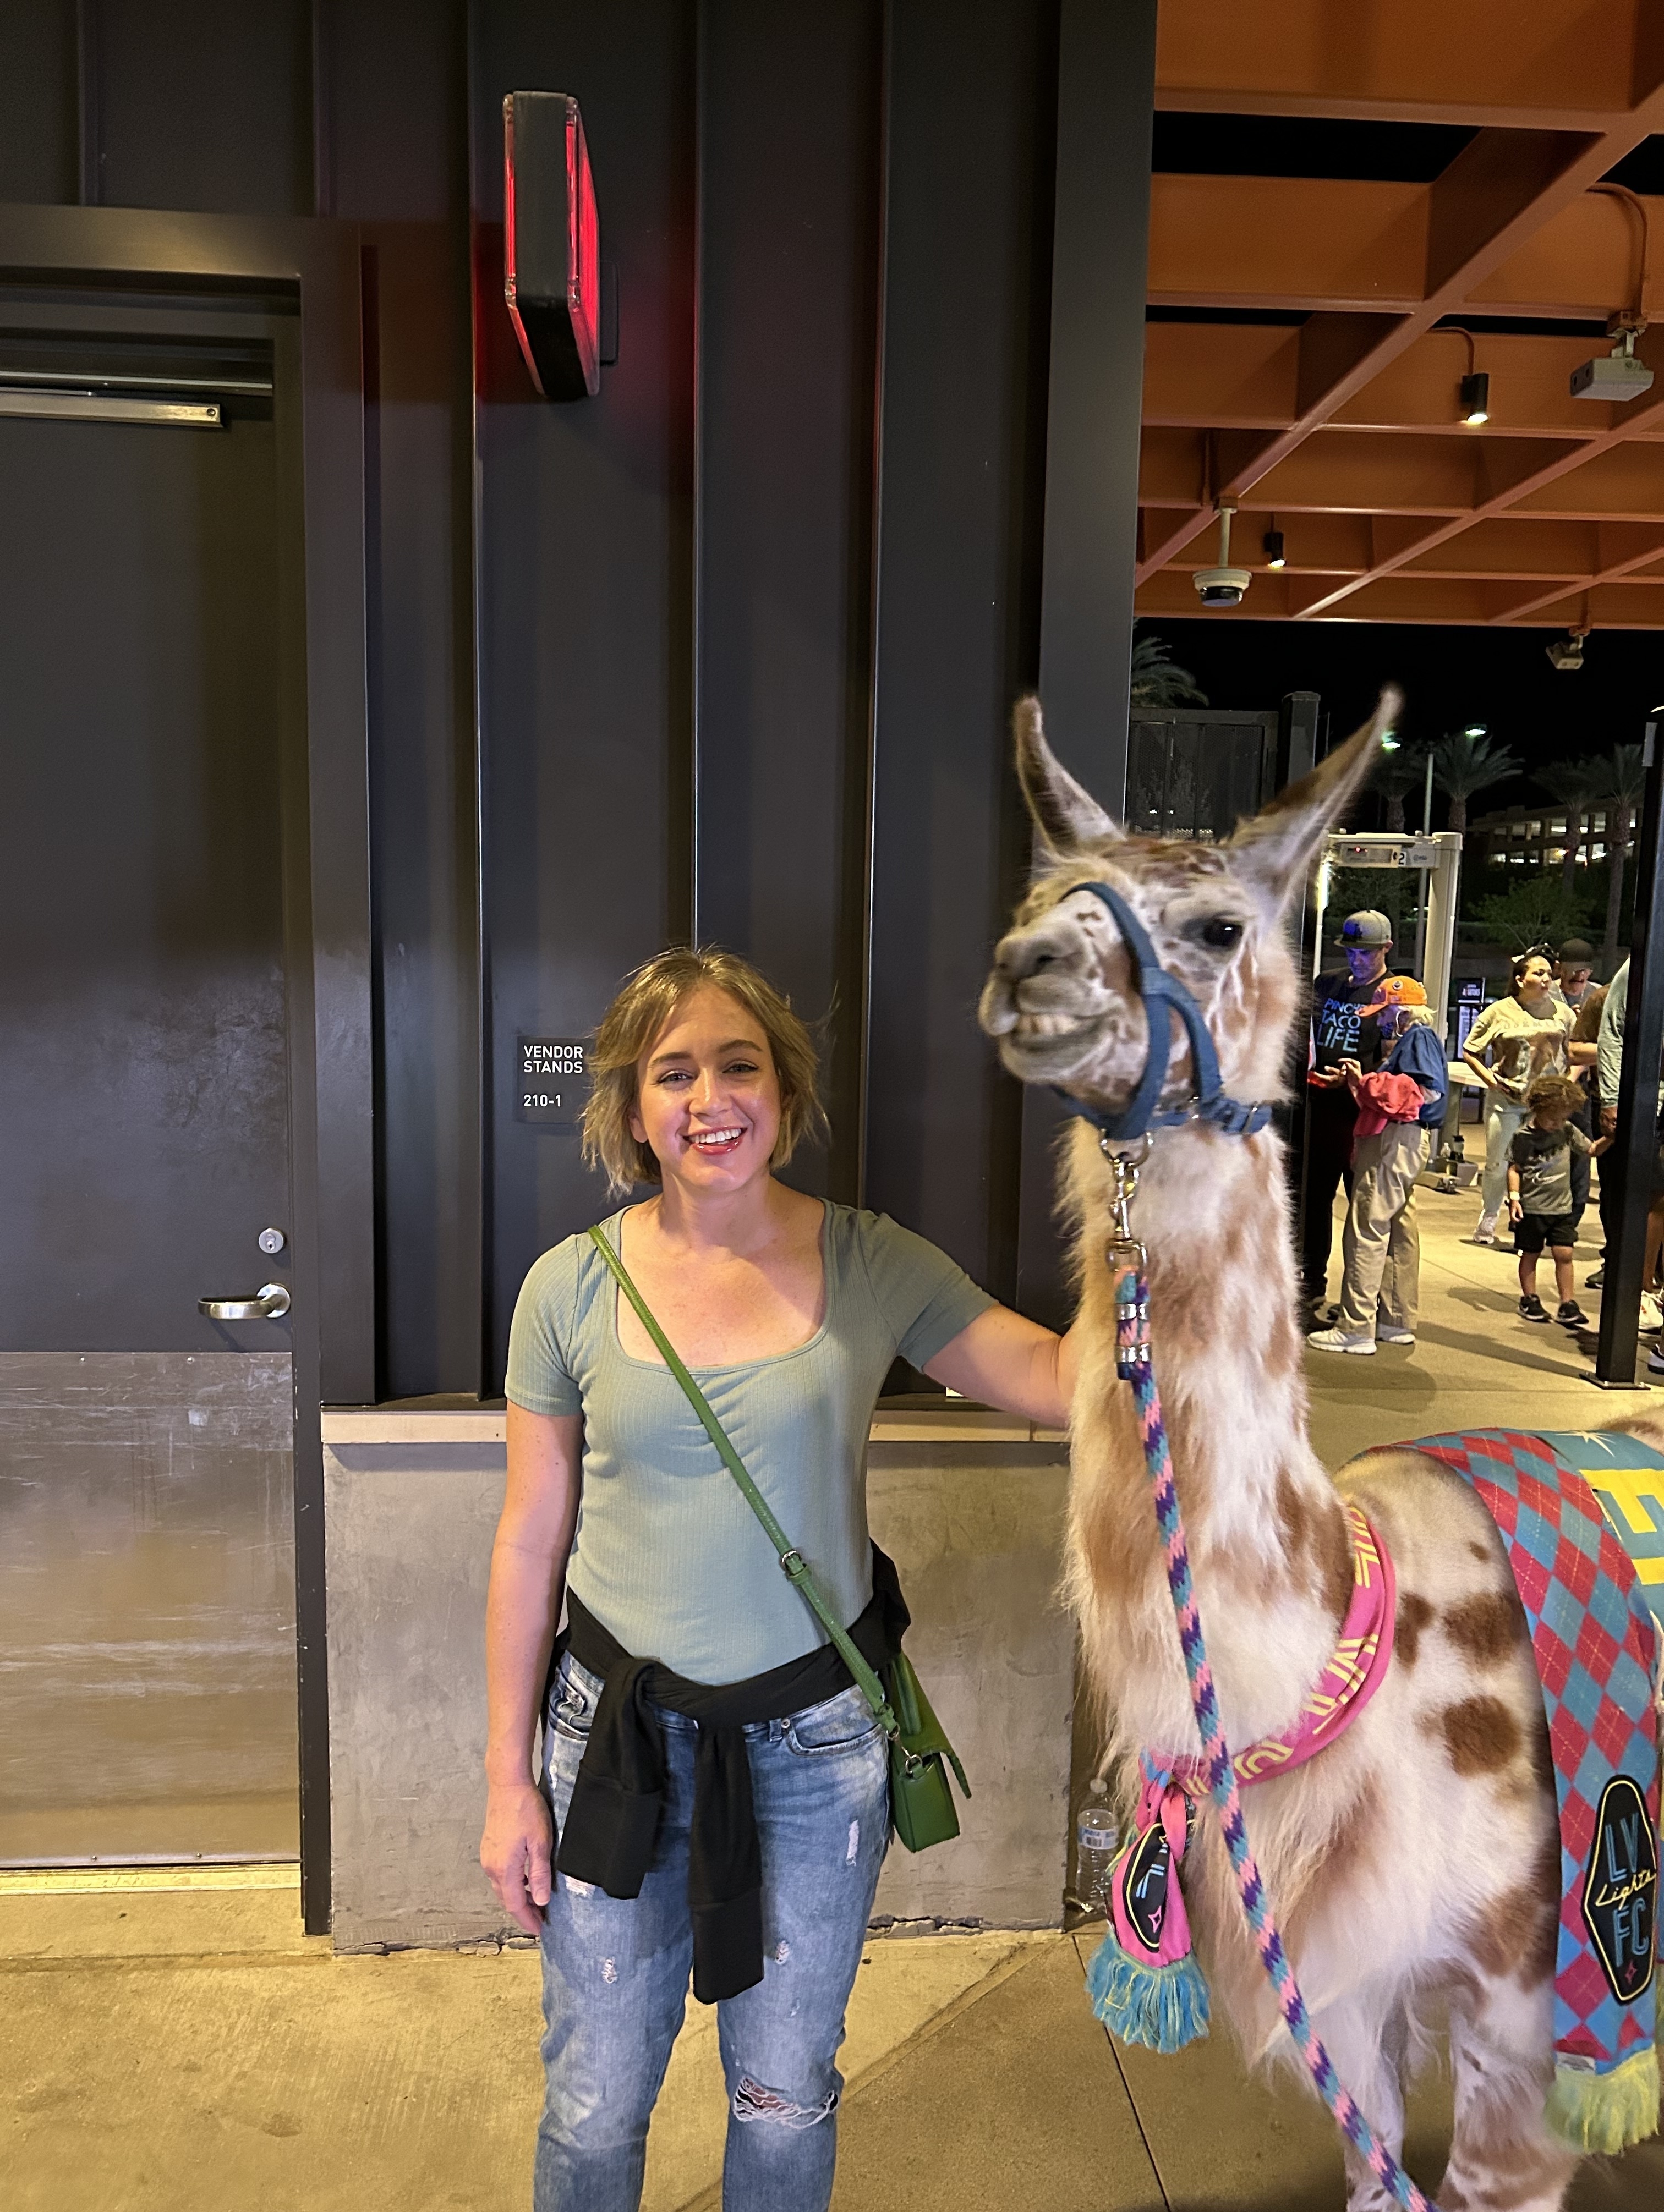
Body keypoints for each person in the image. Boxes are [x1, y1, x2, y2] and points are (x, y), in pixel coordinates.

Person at [479, 947, 1104, 2212]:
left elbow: (1060, 1380)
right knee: (597, 2099)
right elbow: (528, 1541)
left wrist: (1151, 1221)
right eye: (674, 1071)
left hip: (820, 1749)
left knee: (785, 2089)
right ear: (632, 1105)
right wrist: (505, 1782)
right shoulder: (568, 1286)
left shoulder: (873, 1262)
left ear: (786, 1086)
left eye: (738, 1063)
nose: (709, 1096)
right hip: (610, 1741)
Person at [1307, 980, 1447, 1355]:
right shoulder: (1421, 1038)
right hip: (1406, 1140)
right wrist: (1359, 1082)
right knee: (1398, 1229)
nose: (1381, 1021)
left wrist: (1365, 1081)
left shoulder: (1416, 1038)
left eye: (1384, 1012)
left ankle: (1356, 1326)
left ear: (1401, 1011)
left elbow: (1420, 1093)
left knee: (1367, 1228)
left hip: (1394, 1139)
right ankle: (1395, 1319)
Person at [1301, 909, 1396, 1315]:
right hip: (1322, 1107)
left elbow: (1396, 1058)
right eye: (1353, 950)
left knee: (1365, 1208)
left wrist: (1361, 1080)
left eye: (1367, 952)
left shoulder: (1394, 991)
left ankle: (1363, 1297)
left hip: (1363, 1113)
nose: (1358, 959)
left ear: (1386, 949)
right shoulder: (1328, 983)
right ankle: (1312, 1284)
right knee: (1314, 1201)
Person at [1459, 951, 1577, 1245]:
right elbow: (1470, 1050)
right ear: (1521, 979)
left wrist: (1567, 1085)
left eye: (1549, 972)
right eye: (1538, 973)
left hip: (1547, 1105)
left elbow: (1576, 1053)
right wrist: (1490, 1080)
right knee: (1499, 1161)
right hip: (1508, 1099)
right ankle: (1489, 1217)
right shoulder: (1499, 1011)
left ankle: (1530, 1223)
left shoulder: (1564, 1014)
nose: (1546, 978)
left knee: (1544, 1164)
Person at [1506, 1073, 1609, 1327]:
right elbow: (1514, 1169)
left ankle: (1567, 1302)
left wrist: (1612, 1137)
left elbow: (1591, 1150)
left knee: (1565, 1253)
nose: (1557, 1123)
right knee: (1530, 1253)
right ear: (1538, 1109)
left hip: (1562, 1207)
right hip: (1532, 1208)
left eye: (1562, 1117)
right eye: (1552, 1118)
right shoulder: (1524, 1136)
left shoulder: (1566, 1130)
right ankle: (1529, 1297)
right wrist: (1515, 1199)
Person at [1595, 957, 1664, 1330]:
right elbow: (1614, 1028)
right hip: (1647, 1098)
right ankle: (1639, 1292)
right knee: (1651, 1195)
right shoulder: (1649, 953)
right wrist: (1611, 1096)